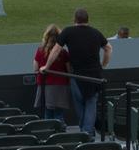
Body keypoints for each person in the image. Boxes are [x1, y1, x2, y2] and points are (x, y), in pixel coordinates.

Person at [42, 8, 111, 136]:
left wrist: (47, 66)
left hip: (77, 75)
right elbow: (108, 48)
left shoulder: (68, 31)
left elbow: (56, 50)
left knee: (81, 104)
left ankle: (85, 132)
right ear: (87, 20)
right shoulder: (95, 32)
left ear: (75, 20)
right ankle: (87, 132)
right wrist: (104, 65)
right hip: (95, 75)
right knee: (90, 103)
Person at [33, 24, 69, 122]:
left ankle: (49, 134)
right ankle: (59, 135)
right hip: (60, 86)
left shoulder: (40, 51)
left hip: (45, 86)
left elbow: (35, 68)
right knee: (59, 114)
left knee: (48, 113)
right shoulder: (63, 52)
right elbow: (69, 70)